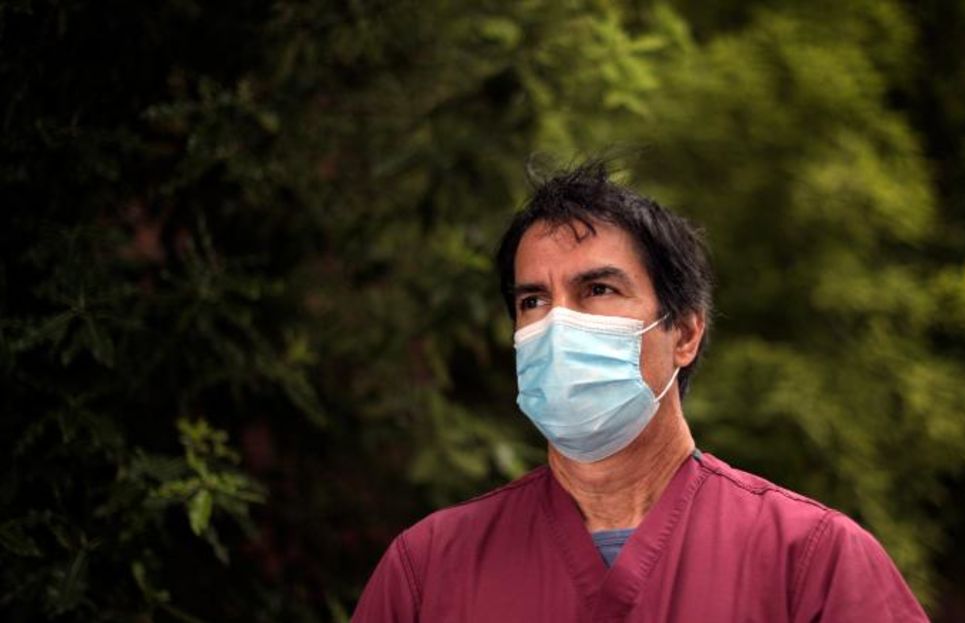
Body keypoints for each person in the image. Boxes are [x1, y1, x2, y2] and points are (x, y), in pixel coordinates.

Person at [350, 162, 929, 622]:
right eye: (533, 301)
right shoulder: (429, 570)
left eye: (597, 289)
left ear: (685, 332)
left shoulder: (809, 562)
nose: (558, 324)